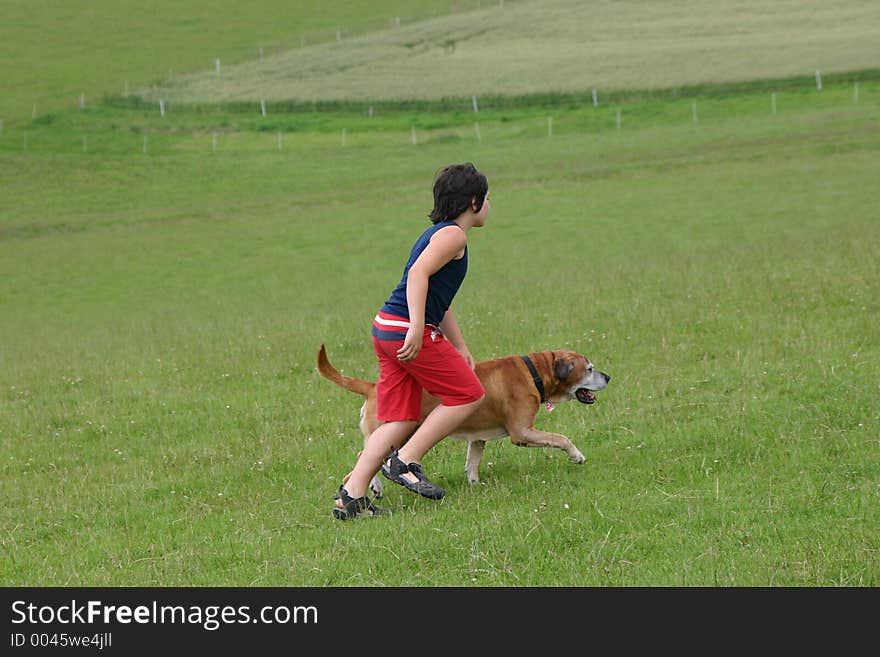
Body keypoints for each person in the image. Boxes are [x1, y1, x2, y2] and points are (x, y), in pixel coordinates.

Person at [333, 163, 490, 520]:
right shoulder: (454, 236)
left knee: (400, 419)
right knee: (469, 393)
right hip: (406, 328)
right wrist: (417, 327)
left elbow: (439, 297)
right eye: (488, 198)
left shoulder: (437, 233)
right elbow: (419, 275)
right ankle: (406, 459)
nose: (490, 204)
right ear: (473, 201)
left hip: (386, 327)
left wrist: (460, 344)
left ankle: (351, 496)